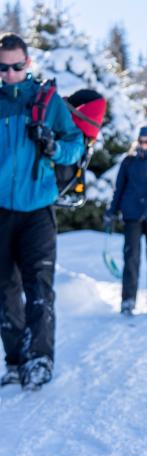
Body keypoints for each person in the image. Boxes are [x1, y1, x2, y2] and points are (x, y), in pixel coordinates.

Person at [0, 32, 85, 390]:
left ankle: (40, 358)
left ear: (28, 63)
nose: (11, 74)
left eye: (17, 66)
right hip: (1, 209)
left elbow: (75, 144)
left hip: (38, 209)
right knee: (4, 290)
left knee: (38, 287)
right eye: (3, 68)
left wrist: (52, 145)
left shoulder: (47, 101)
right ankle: (16, 361)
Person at [104, 125, 147, 315]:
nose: (143, 145)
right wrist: (112, 211)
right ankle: (128, 300)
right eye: (141, 141)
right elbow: (119, 188)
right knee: (131, 258)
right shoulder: (128, 161)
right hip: (132, 213)